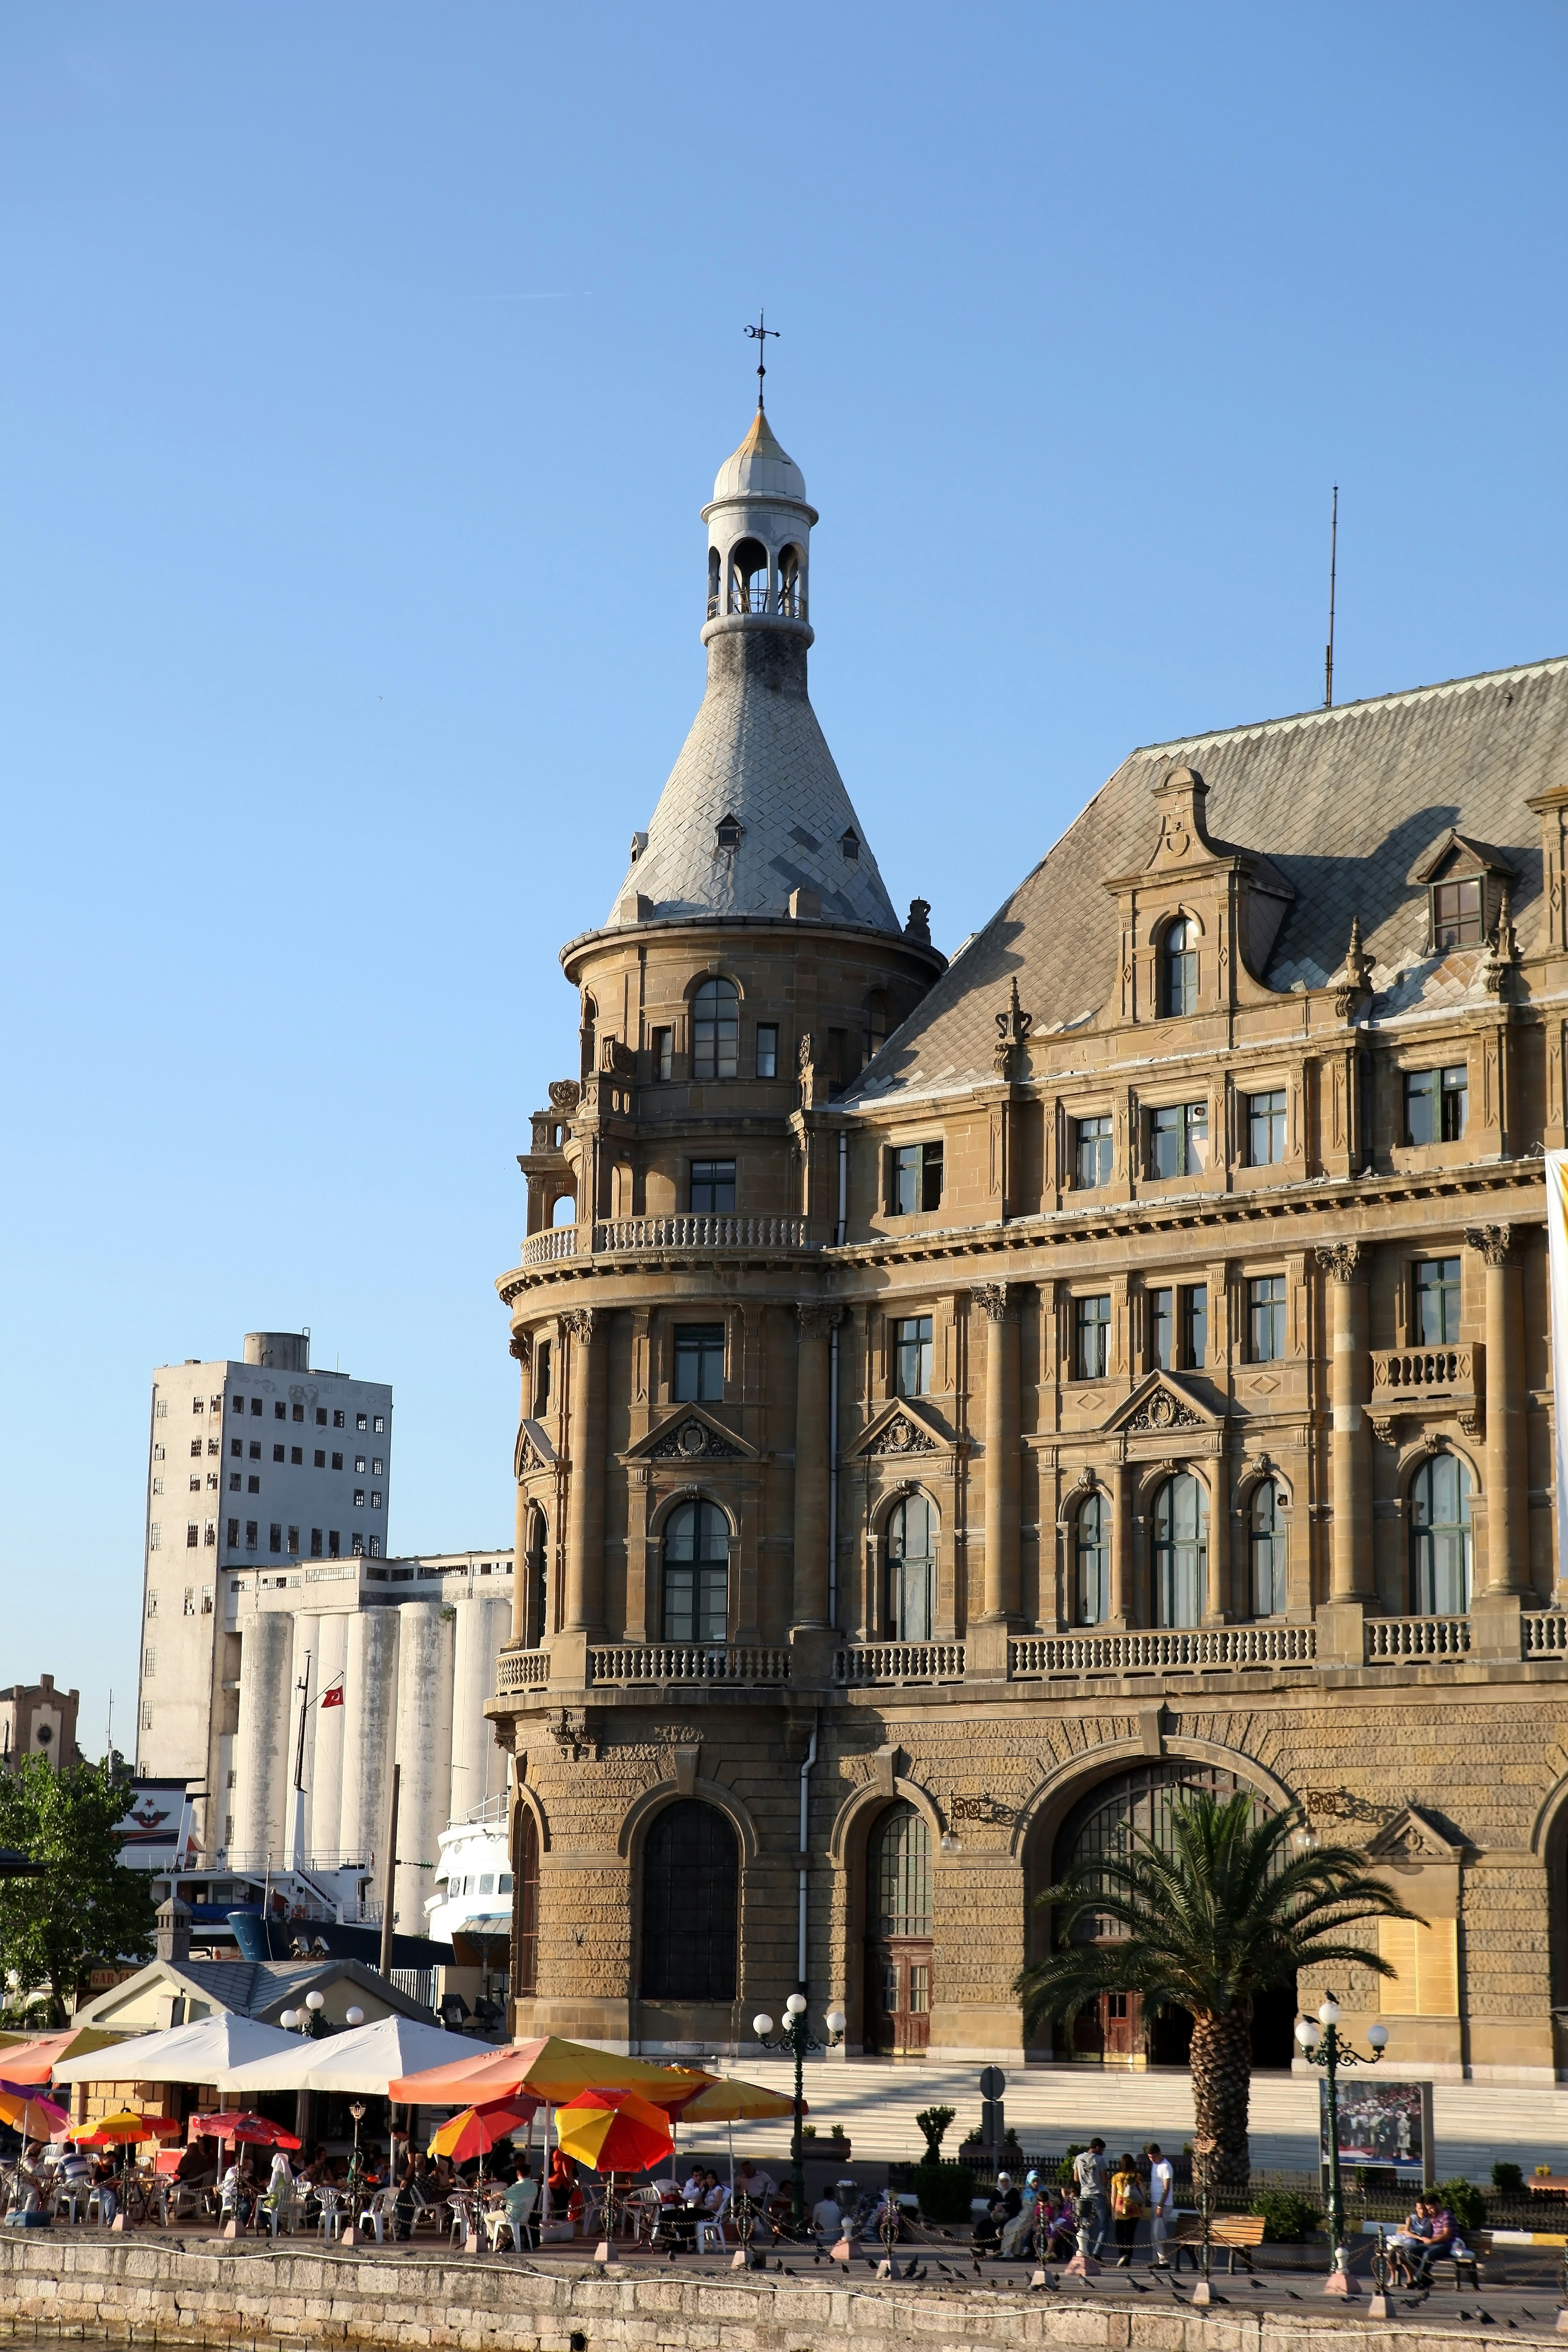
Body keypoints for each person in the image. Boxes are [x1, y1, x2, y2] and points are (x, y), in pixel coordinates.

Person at [1073, 2140, 1109, 2258]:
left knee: (1085, 2225)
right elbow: (1104, 2179)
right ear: (1097, 2147)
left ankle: (1085, 2251)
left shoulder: (1078, 2158)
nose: (1102, 2153)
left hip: (1084, 2194)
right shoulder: (1099, 2160)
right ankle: (1097, 2253)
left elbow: (1076, 2179)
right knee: (1104, 2226)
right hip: (1098, 2194)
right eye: (1102, 2150)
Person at [1109, 2153, 1145, 2265]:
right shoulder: (1137, 2176)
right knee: (1130, 2236)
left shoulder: (1116, 2177)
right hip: (1134, 2209)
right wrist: (1143, 2209)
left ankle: (1122, 2254)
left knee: (1119, 2234)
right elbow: (1143, 2194)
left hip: (1120, 2209)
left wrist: (1112, 2211)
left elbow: (1113, 2196)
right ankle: (1128, 2260)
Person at [1145, 2145, 1174, 2267]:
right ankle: (1156, 2260)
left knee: (1159, 2233)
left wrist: (1160, 2206)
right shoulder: (1155, 2165)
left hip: (1164, 2203)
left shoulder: (1166, 2166)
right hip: (1154, 2201)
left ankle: (1164, 2260)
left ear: (1159, 2154)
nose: (1151, 2159)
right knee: (1154, 2233)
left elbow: (1166, 2188)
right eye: (1149, 2157)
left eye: (1153, 2157)